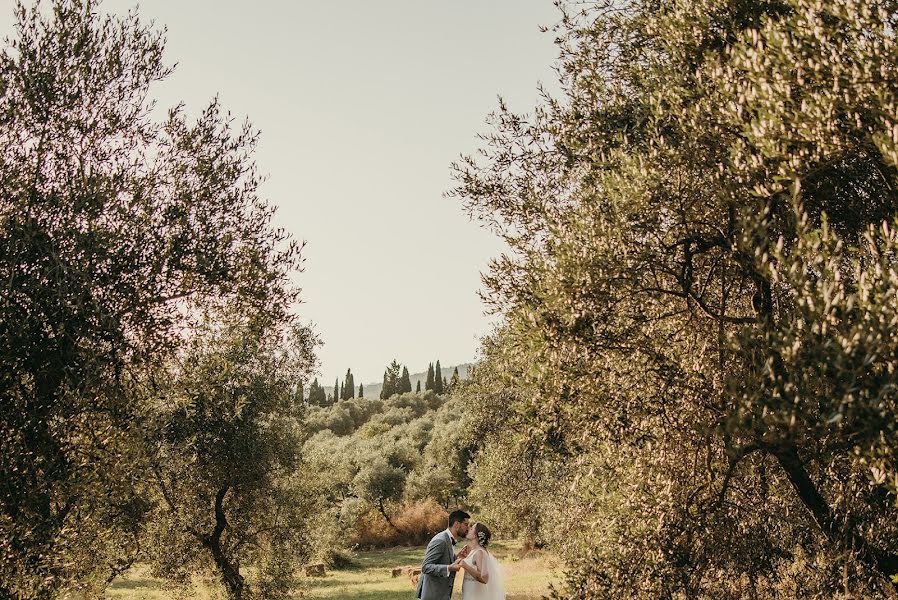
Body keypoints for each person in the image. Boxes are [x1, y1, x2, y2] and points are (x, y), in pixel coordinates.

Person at [417, 510, 471, 600]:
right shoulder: (440, 540)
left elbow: (443, 560)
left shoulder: (448, 539)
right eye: (466, 524)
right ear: (457, 524)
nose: (468, 528)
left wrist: (457, 558)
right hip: (433, 595)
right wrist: (449, 568)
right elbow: (426, 567)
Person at [456, 522, 505, 600]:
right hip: (469, 591)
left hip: (475, 595)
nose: (469, 529)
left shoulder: (480, 552)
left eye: (472, 528)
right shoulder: (474, 550)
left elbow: (484, 578)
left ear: (476, 535)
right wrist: (463, 557)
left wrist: (465, 565)